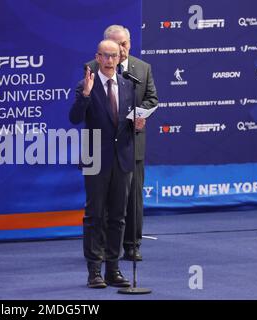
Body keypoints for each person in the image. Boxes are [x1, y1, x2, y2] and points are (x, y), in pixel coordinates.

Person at [70, 39, 145, 288]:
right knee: (94, 216)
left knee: (118, 216)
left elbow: (126, 123)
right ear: (98, 58)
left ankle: (113, 269)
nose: (111, 60)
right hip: (95, 159)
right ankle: (94, 272)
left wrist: (137, 124)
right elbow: (75, 118)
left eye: (115, 56)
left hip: (122, 159)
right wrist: (86, 95)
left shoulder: (128, 85)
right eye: (106, 56)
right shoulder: (86, 85)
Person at [86, 25, 158, 261]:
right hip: (103, 149)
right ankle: (105, 248)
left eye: (125, 44)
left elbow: (151, 98)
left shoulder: (143, 68)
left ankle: (132, 244)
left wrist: (140, 114)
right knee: (103, 204)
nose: (122, 50)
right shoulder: (93, 69)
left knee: (133, 198)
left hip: (132, 144)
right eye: (116, 46)